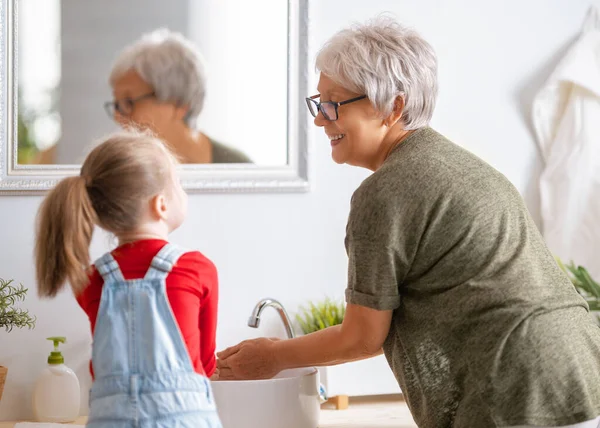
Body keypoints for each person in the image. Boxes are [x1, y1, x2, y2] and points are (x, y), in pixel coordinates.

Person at [216, 16, 600, 428]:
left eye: (333, 103)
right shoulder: (463, 166)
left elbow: (363, 335)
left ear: (393, 106)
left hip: (517, 385)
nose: (319, 119)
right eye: (318, 102)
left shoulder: (385, 192)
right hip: (580, 366)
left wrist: (272, 355)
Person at [34, 130, 222, 427]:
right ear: (160, 204)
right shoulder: (197, 268)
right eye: (179, 185)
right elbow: (206, 362)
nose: (183, 193)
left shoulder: (91, 279)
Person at [105, 28, 252, 164]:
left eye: (128, 102)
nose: (118, 117)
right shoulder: (122, 173)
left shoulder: (238, 167)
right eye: (117, 104)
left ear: (179, 104)